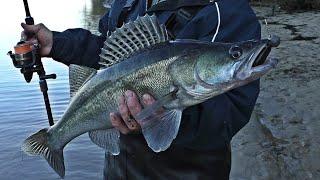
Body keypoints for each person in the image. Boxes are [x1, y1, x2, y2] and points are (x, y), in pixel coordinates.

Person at [21, 0, 261, 179]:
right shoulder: (129, 2)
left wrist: (165, 111)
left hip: (183, 174)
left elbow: (228, 117)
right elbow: (109, 54)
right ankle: (55, 139)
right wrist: (57, 43)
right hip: (119, 170)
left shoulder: (227, 12)